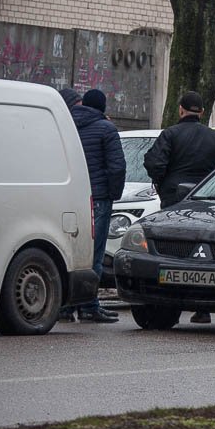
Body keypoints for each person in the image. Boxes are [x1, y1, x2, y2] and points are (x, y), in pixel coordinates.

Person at [144, 91, 215, 324]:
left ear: (180, 109)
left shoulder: (171, 134)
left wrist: (163, 182)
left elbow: (155, 163)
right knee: (205, 255)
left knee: (173, 252)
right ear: (203, 112)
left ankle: (170, 302)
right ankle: (203, 307)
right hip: (207, 202)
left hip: (174, 201)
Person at [62, 88, 125, 323]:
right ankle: (89, 305)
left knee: (69, 252)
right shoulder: (106, 129)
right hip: (97, 198)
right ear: (103, 107)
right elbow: (117, 167)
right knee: (93, 255)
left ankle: (65, 308)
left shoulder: (65, 126)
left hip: (68, 197)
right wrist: (113, 194)